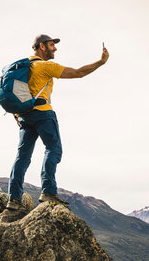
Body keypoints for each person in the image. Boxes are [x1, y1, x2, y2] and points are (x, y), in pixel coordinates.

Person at [6, 34, 109, 211]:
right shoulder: (45, 66)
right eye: (52, 45)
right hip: (43, 114)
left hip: (24, 115)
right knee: (53, 148)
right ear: (41, 47)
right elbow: (79, 73)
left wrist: (17, 115)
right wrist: (101, 62)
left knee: (22, 157)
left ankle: (13, 199)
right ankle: (48, 191)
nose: (55, 48)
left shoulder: (24, 67)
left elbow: (17, 93)